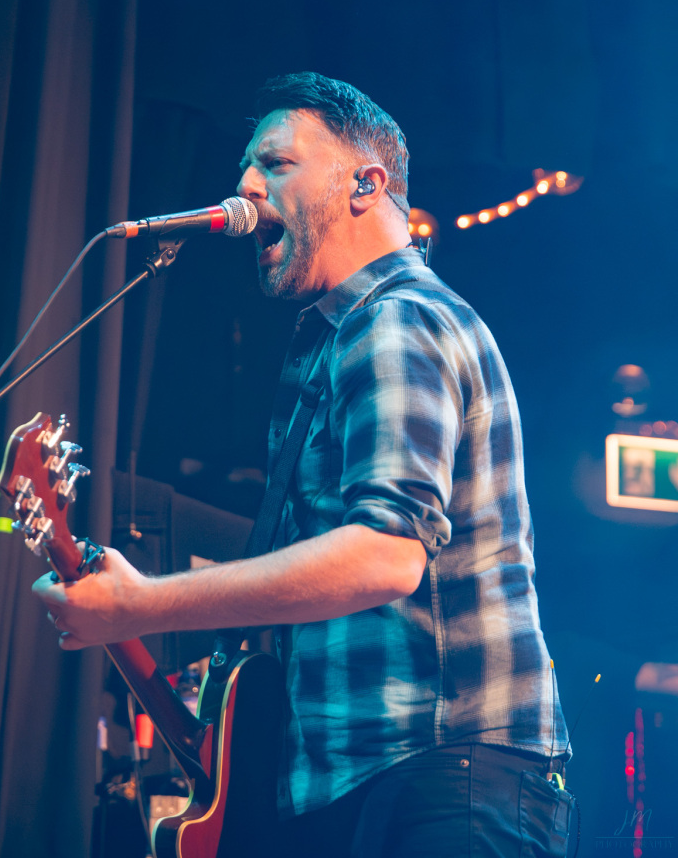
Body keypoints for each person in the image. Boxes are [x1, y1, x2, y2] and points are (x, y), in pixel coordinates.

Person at [33, 72, 573, 857]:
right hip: (365, 779)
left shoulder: (397, 320)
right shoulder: (339, 339)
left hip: (442, 775)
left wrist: (144, 605)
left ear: (366, 184)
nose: (247, 186)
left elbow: (385, 556)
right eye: (246, 167)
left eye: (276, 163)